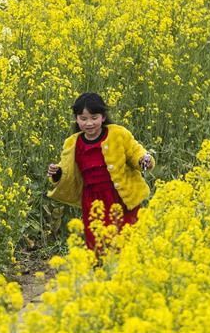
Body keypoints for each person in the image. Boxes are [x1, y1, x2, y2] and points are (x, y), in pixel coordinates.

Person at [46, 92, 155, 258]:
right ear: (76, 119)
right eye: (83, 119)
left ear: (103, 117)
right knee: (97, 244)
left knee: (127, 241)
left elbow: (135, 152)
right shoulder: (73, 143)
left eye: (94, 117)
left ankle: (128, 277)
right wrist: (57, 172)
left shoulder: (118, 134)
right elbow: (67, 170)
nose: (89, 123)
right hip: (93, 201)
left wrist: (144, 160)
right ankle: (102, 278)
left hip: (122, 198)